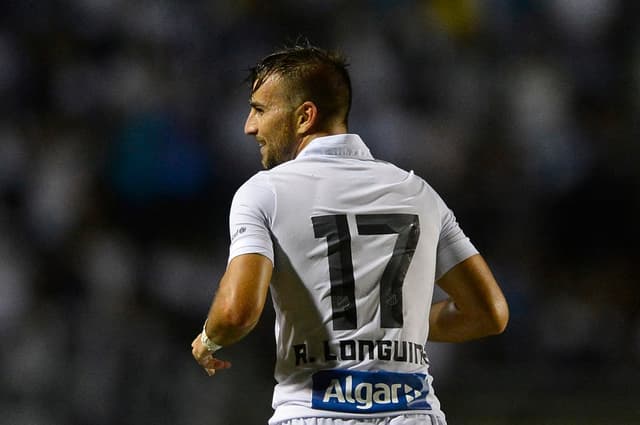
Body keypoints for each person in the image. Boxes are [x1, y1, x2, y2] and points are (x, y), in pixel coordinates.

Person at [191, 43, 509, 425]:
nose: (249, 125)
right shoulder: (418, 192)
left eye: (260, 109)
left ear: (305, 116)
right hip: (412, 414)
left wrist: (209, 339)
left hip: (314, 413)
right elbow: (489, 312)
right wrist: (392, 330)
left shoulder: (264, 193)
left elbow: (236, 312)